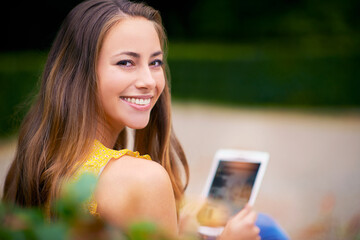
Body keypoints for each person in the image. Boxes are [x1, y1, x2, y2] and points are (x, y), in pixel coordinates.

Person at [2, 0, 288, 239]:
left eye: (155, 62)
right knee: (266, 229)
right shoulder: (144, 179)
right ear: (79, 73)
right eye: (126, 62)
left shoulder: (42, 151)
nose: (149, 81)